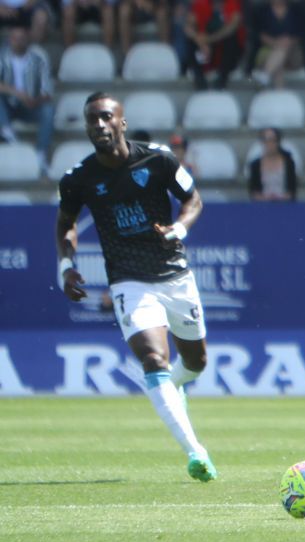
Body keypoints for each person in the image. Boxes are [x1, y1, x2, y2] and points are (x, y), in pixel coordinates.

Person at [55, 92, 217, 482]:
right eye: (92, 119)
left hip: (175, 275)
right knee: (153, 359)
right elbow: (66, 223)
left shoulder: (158, 159)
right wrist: (66, 265)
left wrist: (178, 229)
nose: (99, 125)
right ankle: (196, 453)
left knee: (195, 362)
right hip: (128, 280)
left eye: (106, 117)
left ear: (121, 122)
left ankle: (172, 392)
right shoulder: (79, 178)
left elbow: (193, 200)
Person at [0, 24, 54, 174]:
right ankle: (7, 131)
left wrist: (34, 100)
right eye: (16, 38)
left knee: (48, 109)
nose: (19, 42)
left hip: (31, 106)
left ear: (28, 40)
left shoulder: (38, 60)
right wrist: (17, 93)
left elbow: (47, 91)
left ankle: (40, 154)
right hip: (7, 107)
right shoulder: (2, 58)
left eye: (22, 38)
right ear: (10, 40)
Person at [183, 0, 244, 90]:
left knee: (231, 39)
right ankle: (199, 78)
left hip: (226, 55)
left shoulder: (232, 3)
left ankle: (222, 78)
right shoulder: (201, 3)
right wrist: (200, 41)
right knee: (191, 42)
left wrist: (210, 39)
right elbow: (187, 27)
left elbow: (233, 26)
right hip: (206, 53)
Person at [248, 127, 297, 201]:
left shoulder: (288, 163)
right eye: (266, 140)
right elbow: (254, 192)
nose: (269, 144)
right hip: (262, 206)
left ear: (278, 142)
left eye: (272, 140)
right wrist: (266, 198)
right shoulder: (255, 165)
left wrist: (280, 198)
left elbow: (292, 190)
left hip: (284, 205)